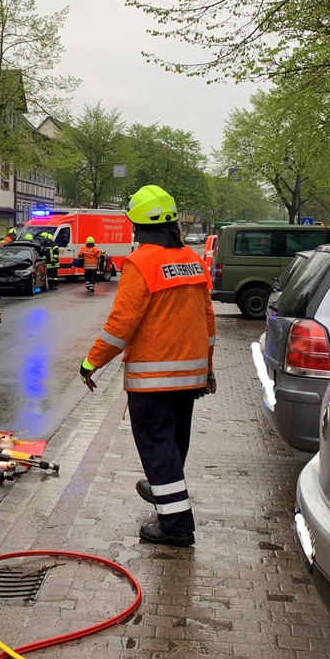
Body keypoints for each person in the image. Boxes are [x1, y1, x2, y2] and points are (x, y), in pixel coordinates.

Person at [79, 185, 216, 548]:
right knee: (173, 444)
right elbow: (207, 319)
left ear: (139, 225)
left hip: (153, 378)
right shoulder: (193, 259)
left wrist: (91, 362)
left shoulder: (140, 263)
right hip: (190, 376)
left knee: (157, 447)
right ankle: (163, 489)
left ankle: (175, 525)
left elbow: (121, 325)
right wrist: (208, 368)